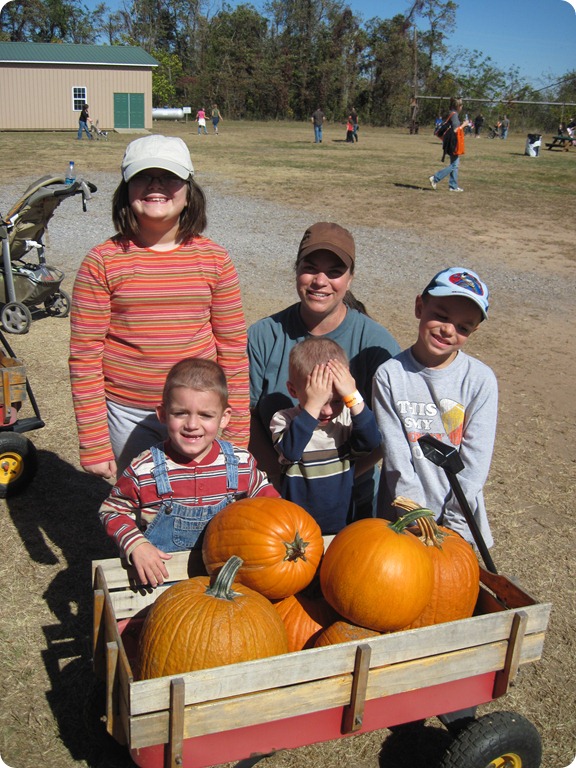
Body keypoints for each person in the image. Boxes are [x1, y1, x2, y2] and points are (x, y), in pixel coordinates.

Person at [69, 135, 249, 481]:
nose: (156, 186)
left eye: (168, 177)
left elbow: (232, 350)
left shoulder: (215, 260)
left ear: (188, 191)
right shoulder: (101, 262)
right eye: (143, 177)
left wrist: (237, 427)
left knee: (202, 503)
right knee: (143, 506)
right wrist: (93, 440)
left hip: (199, 412)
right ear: (126, 190)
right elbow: (85, 355)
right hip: (128, 413)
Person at [248, 221, 400, 515]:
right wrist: (277, 477)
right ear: (296, 269)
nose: (320, 281)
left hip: (352, 504)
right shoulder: (263, 335)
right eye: (310, 268)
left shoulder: (376, 344)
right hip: (276, 498)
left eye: (334, 272)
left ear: (350, 278)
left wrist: (342, 478)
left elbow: (391, 431)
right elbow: (245, 416)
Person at [99, 358, 279, 586]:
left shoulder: (240, 463)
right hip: (164, 582)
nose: (192, 424)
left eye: (205, 415)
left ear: (224, 418)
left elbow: (271, 505)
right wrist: (137, 544)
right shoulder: (145, 470)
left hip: (228, 579)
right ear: (163, 414)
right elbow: (112, 511)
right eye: (181, 413)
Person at [372, 267, 497, 549]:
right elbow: (397, 457)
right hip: (404, 521)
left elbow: (475, 464)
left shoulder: (480, 381)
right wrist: (416, 518)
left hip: (459, 526)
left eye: (463, 327)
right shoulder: (390, 375)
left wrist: (454, 528)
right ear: (420, 306)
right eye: (441, 316)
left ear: (473, 331)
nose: (448, 330)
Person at [270, 338, 381, 534]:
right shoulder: (283, 420)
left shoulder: (346, 418)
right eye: (320, 401)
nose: (328, 411)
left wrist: (353, 396)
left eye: (337, 401)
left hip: (341, 525)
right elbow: (290, 452)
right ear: (293, 390)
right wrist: (312, 407)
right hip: (295, 528)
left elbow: (370, 441)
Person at [429, 97, 470, 193]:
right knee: (454, 165)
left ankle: (453, 186)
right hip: (453, 142)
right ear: (458, 106)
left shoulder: (450, 113)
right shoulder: (454, 115)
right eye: (461, 105)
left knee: (455, 164)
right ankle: (435, 178)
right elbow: (456, 130)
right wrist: (464, 124)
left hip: (449, 141)